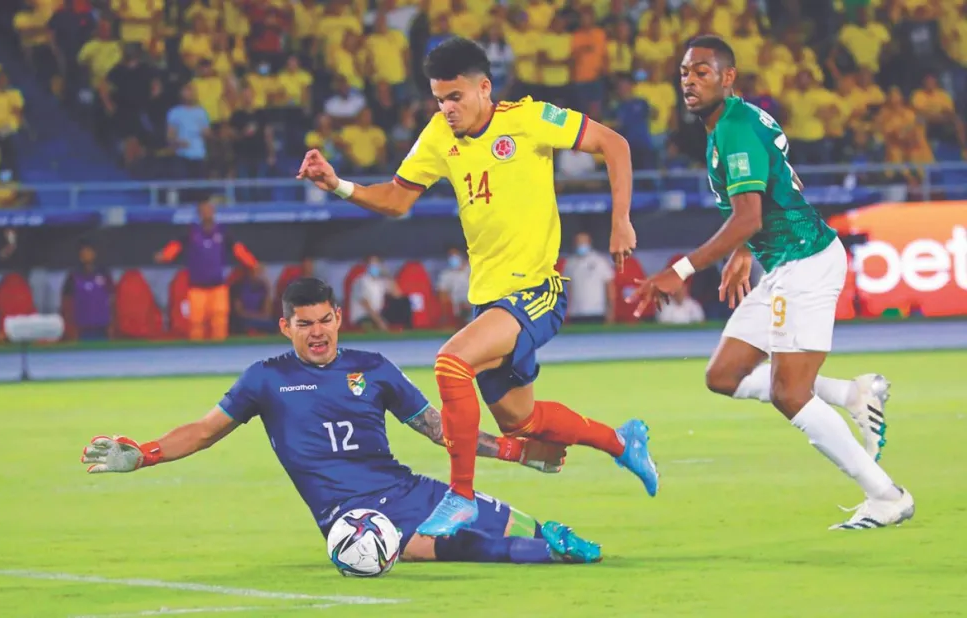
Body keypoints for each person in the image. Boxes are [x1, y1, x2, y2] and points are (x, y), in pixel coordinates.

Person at [297, 36, 658, 538]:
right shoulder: (437, 136)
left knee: (450, 363)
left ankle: (461, 497)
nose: (446, 109)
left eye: (455, 97)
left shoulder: (529, 118)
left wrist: (620, 219)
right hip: (490, 300)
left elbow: (613, 144)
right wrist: (338, 185)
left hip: (538, 289)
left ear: (484, 88)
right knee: (521, 421)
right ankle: (622, 443)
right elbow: (398, 200)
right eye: (438, 99)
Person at [80, 278, 602, 565]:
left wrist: (516, 452)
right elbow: (201, 431)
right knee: (458, 549)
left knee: (505, 521)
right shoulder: (264, 379)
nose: (317, 332)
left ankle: (558, 540)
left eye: (325, 320)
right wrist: (144, 454)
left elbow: (439, 428)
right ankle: (547, 553)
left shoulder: (374, 368)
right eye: (304, 324)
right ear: (286, 326)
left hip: (406, 488)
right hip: (348, 518)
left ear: (338, 318)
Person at [630, 36, 913, 530]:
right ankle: (852, 393)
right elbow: (773, 188)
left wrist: (679, 271)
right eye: (684, 73)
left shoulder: (734, 130)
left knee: (789, 393)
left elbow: (749, 215)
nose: (690, 82)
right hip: (783, 262)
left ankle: (886, 496)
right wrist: (743, 251)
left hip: (804, 261)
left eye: (702, 72)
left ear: (728, 76)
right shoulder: (737, 122)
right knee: (724, 376)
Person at [154, 199, 258, 340]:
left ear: (213, 211)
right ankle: (197, 358)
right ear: (199, 213)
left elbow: (238, 250)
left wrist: (253, 263)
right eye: (203, 210)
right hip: (196, 288)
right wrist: (164, 256)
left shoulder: (223, 232)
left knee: (220, 323)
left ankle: (220, 358)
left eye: (209, 209)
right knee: (196, 325)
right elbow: (175, 247)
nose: (206, 213)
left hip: (218, 287)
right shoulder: (190, 232)